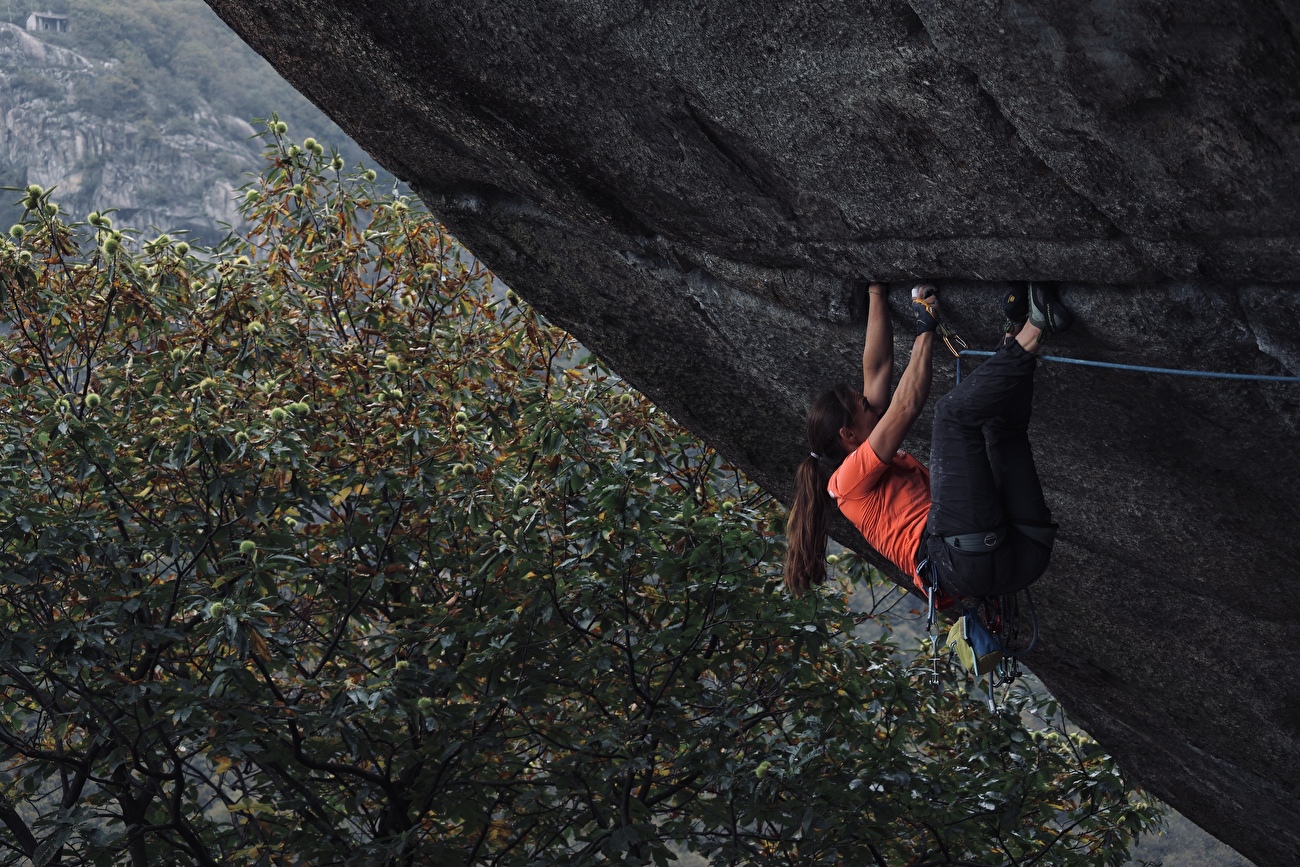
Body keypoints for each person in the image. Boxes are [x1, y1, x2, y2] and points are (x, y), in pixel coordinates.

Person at [784, 282, 1072, 602]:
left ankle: (1015, 334)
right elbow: (907, 405)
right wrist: (925, 326)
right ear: (848, 436)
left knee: (1006, 430)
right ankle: (1038, 326)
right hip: (960, 557)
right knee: (952, 416)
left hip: (1020, 554)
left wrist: (876, 291)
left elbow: (877, 368)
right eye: (864, 406)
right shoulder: (846, 482)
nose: (871, 403)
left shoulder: (865, 452)